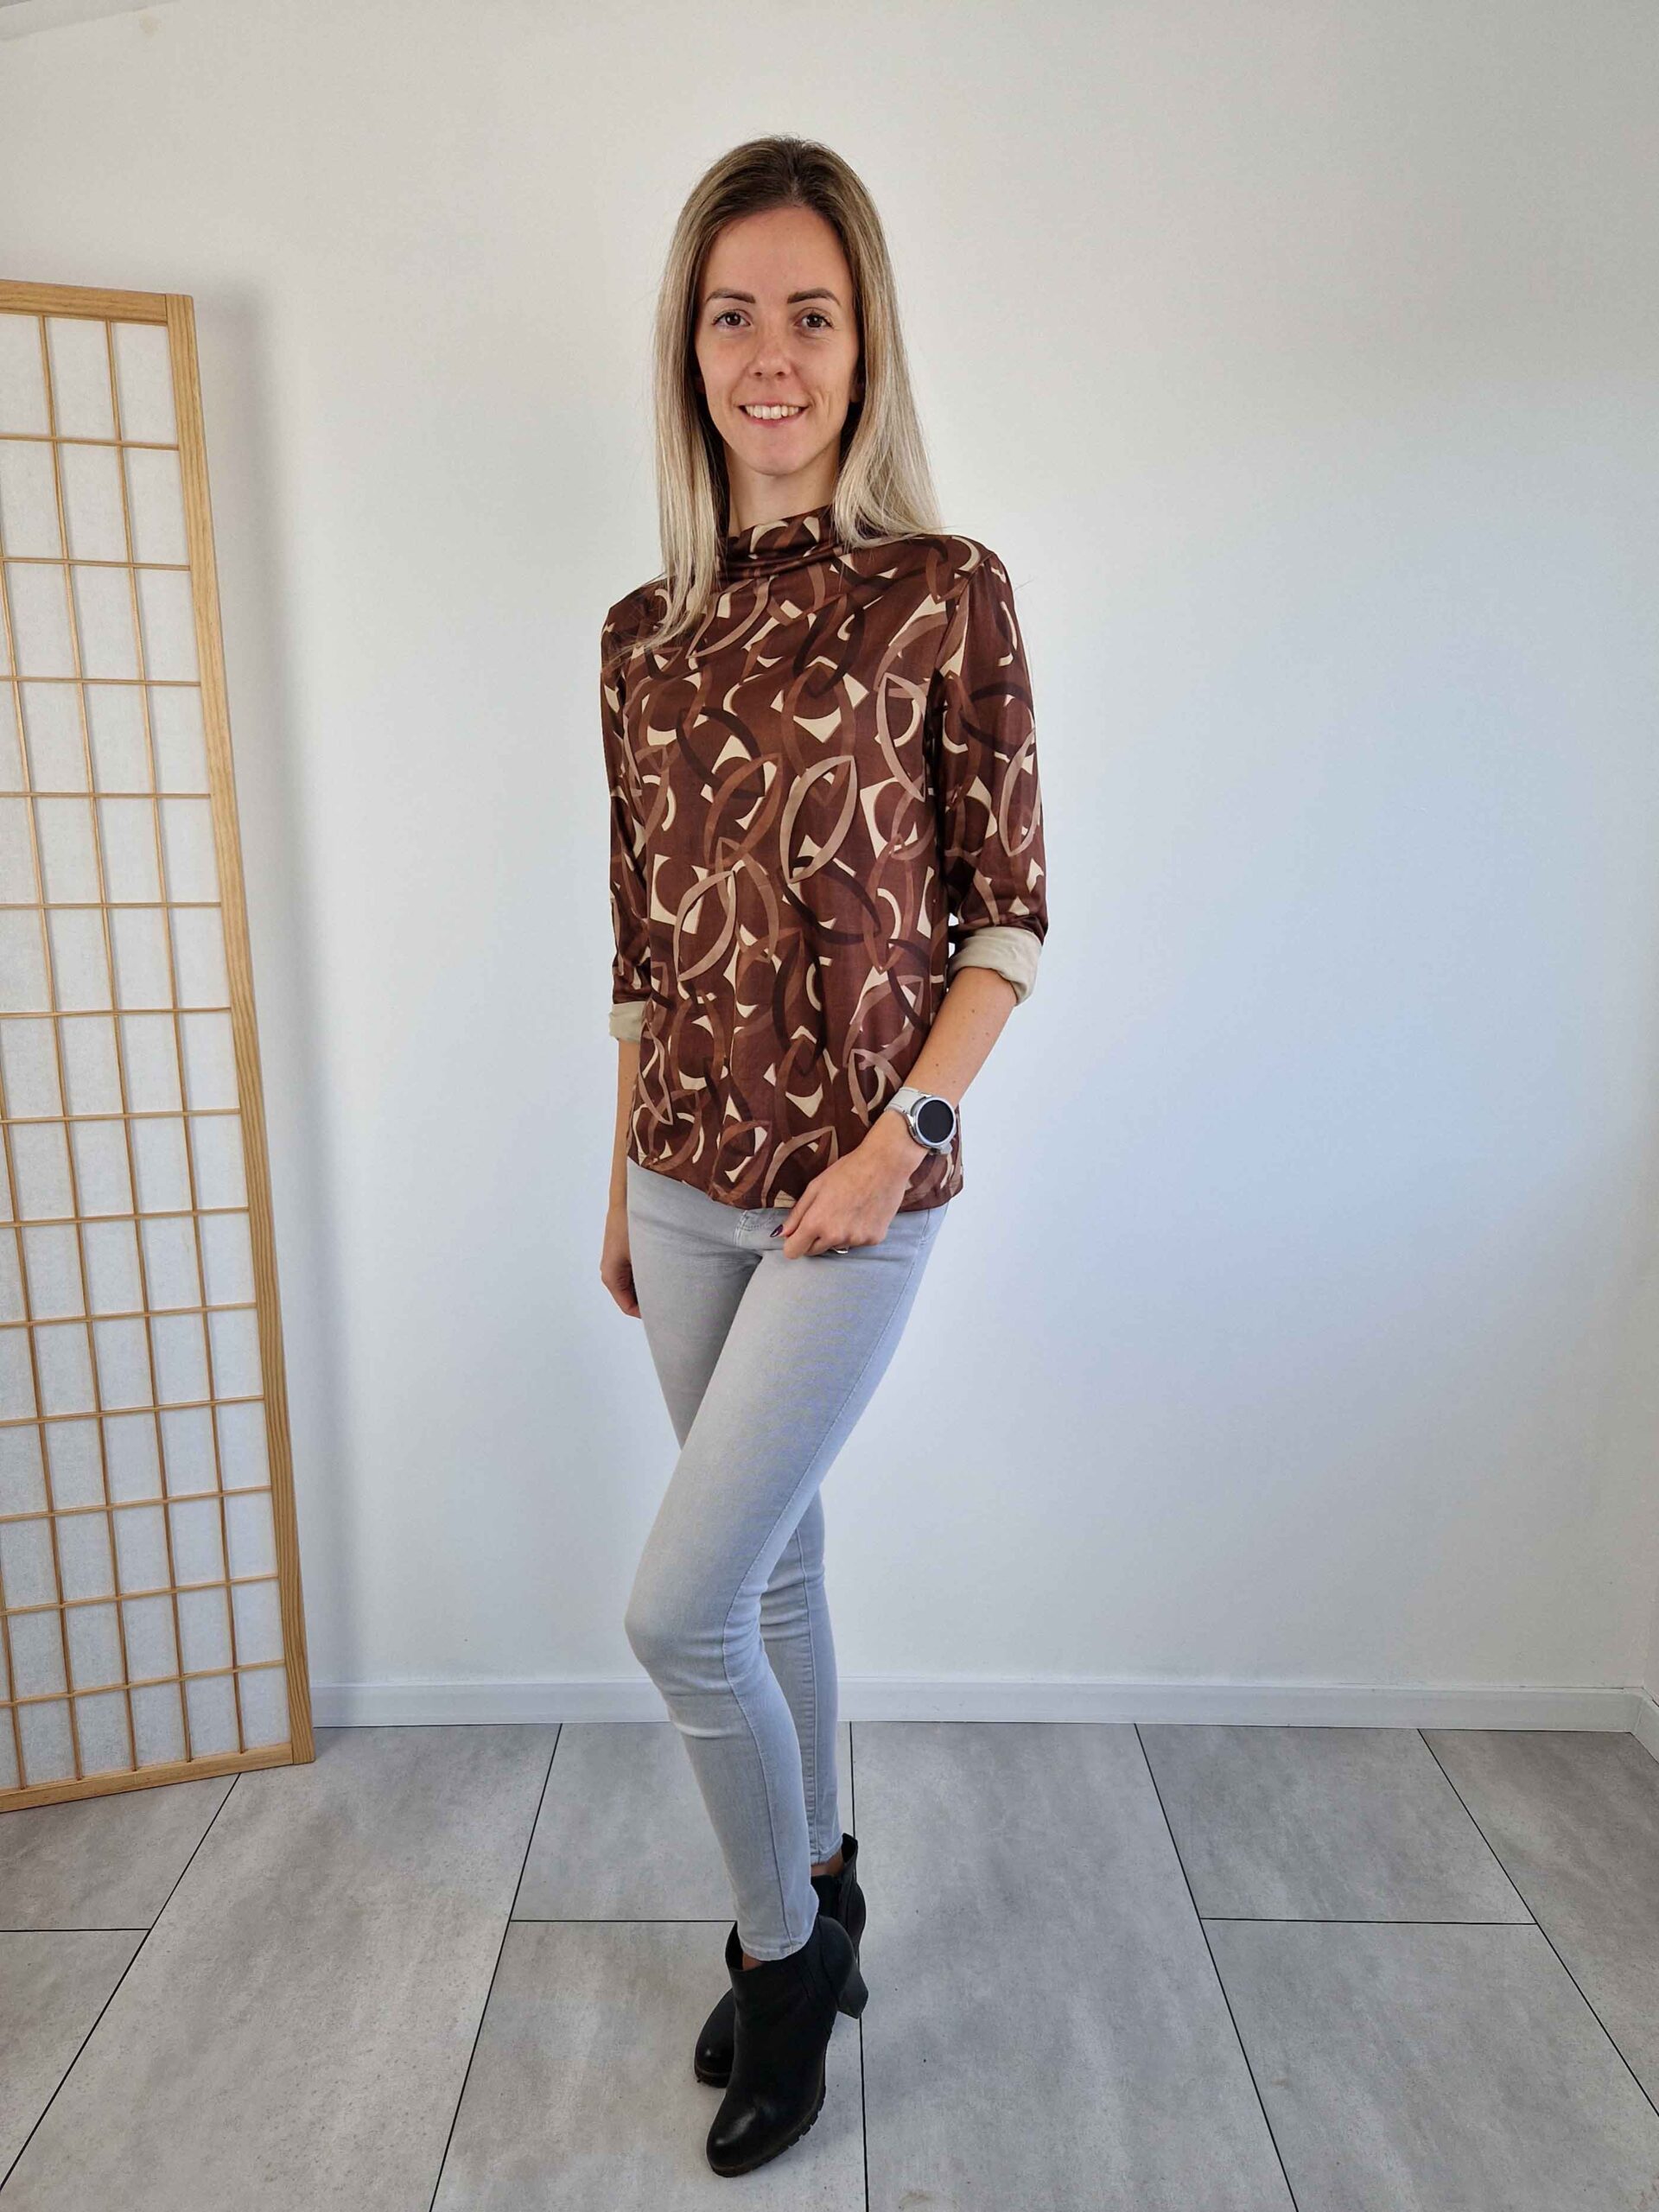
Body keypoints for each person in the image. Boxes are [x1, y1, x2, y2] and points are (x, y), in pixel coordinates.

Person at [596, 133, 1049, 2178]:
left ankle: (782, 1961)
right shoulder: (642, 633)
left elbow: (1009, 919)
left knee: (678, 1610)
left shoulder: (947, 593)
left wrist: (900, 1139)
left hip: (852, 1194)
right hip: (681, 1180)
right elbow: (638, 947)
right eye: (731, 315)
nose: (768, 355)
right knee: (771, 1562)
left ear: (865, 345)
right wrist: (620, 1174)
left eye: (809, 313)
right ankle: (831, 1875)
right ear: (687, 348)